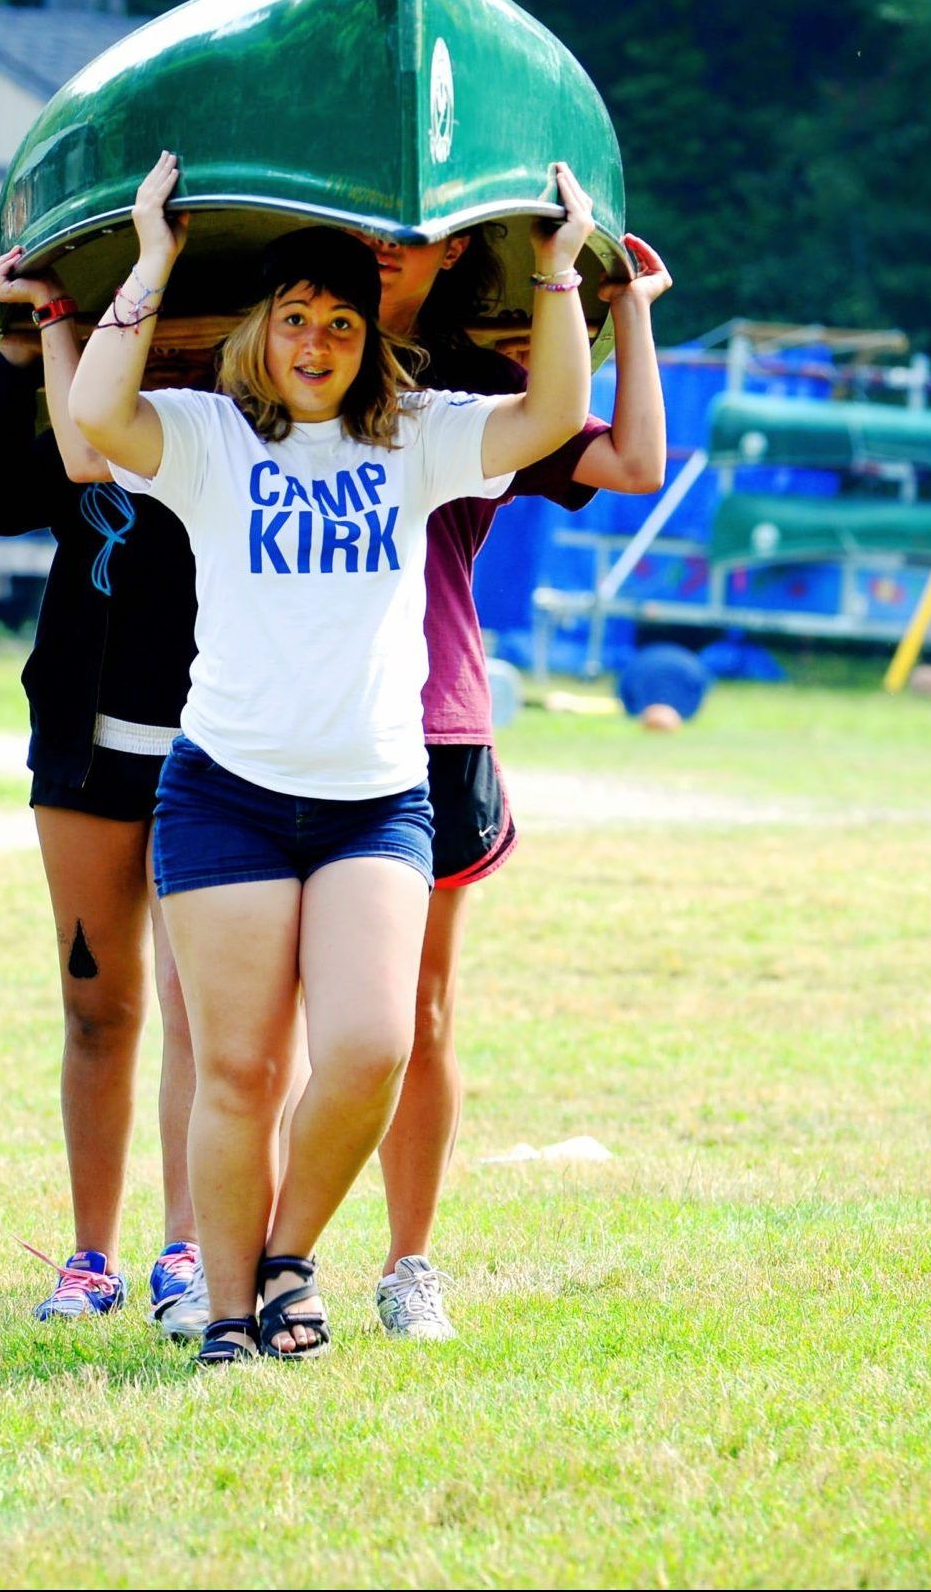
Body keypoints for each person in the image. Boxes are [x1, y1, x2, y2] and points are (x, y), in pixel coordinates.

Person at [54, 150, 594, 1362]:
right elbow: (93, 418)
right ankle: (231, 1319)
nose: (314, 342)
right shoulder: (206, 438)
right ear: (262, 330)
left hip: (372, 802)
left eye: (340, 322)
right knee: (237, 1069)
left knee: (369, 1046)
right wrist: (149, 261)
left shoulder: (416, 437)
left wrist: (557, 274)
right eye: (294, 317)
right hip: (227, 797)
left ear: (366, 343)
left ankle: (289, 1253)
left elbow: (551, 419)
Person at [357, 222, 672, 1338]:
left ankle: (407, 1266)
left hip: (431, 725)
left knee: (417, 1013)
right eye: (363, 227)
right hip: (283, 721)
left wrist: (625, 305)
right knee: (265, 1019)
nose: (386, 245)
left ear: (452, 253)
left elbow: (633, 466)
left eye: (414, 232)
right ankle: (240, 1261)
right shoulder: (271, 355)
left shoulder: (482, 389)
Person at [0, 261, 208, 1335]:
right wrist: (21, 356)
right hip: (86, 736)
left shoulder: (254, 409)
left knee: (208, 1016)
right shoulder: (89, 376)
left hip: (223, 744)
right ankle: (90, 1257)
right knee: (97, 1009)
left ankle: (193, 1249)